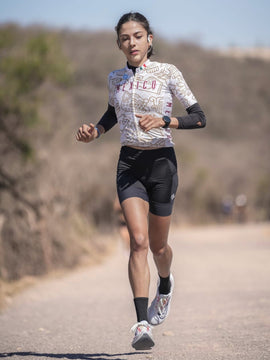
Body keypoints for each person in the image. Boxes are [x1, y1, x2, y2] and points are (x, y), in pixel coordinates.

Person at [76, 12, 206, 350]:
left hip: (162, 163)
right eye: (124, 38)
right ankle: (141, 325)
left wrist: (166, 120)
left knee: (159, 248)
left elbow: (199, 117)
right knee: (138, 241)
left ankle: (165, 284)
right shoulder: (115, 78)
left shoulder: (168, 72)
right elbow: (111, 114)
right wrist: (96, 131)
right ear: (119, 44)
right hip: (129, 165)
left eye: (137, 35)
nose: (131, 42)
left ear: (149, 39)